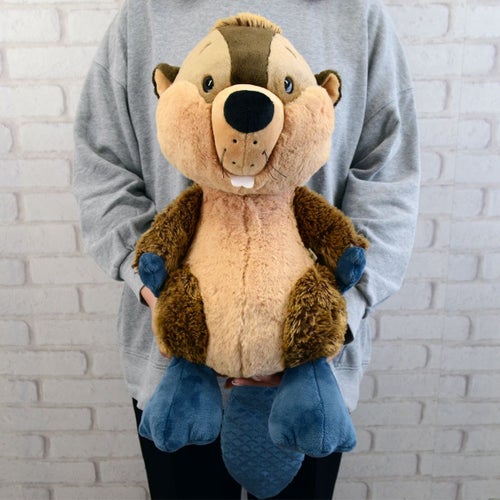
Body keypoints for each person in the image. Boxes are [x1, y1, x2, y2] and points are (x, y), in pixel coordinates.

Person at [73, 0, 420, 498]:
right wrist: (164, 295)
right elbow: (104, 170)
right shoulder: (146, 15)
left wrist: (323, 323)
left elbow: (388, 180)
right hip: (175, 373)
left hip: (311, 379)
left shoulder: (356, 15)